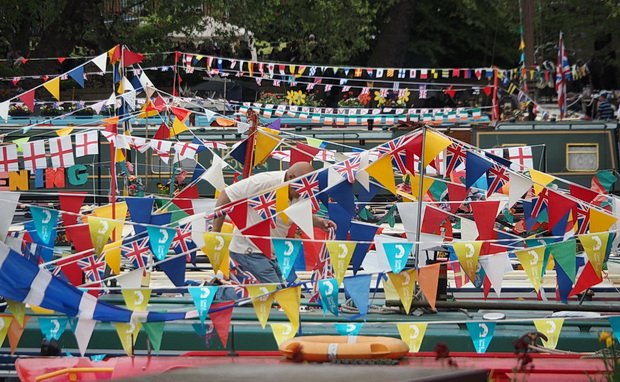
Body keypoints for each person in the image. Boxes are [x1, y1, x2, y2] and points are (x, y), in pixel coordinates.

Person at [212, 162, 336, 300]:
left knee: (277, 293)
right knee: (275, 296)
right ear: (290, 177)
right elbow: (225, 195)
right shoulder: (265, 181)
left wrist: (319, 222)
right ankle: (215, 293)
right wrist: (216, 234)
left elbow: (300, 213)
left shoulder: (300, 189)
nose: (303, 192)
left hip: (272, 253)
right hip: (250, 250)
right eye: (301, 186)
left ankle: (220, 289)